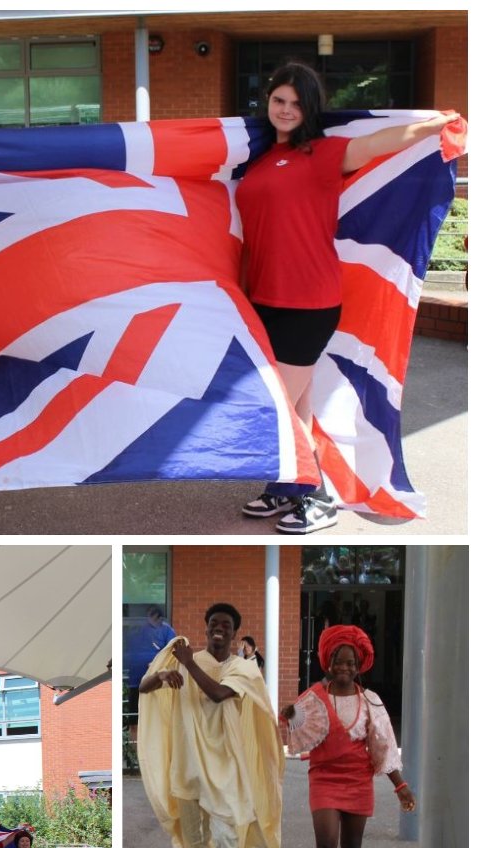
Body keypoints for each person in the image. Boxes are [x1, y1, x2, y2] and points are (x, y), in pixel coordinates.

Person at [237, 62, 459, 533]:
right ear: (268, 103)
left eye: (297, 103)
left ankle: (317, 497)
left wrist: (439, 122)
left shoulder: (325, 153)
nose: (286, 110)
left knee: (276, 407)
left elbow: (387, 142)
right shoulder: (255, 162)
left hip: (308, 302)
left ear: (310, 109)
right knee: (297, 405)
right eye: (279, 100)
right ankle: (286, 487)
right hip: (263, 299)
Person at [138, 602, 284, 848]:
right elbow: (143, 688)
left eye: (227, 625)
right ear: (206, 628)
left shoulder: (244, 670)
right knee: (196, 840)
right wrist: (161, 675)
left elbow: (218, 694)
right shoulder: (183, 657)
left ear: (234, 633)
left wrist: (187, 663)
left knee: (226, 836)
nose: (220, 628)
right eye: (214, 623)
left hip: (226, 765)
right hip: (187, 764)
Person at [280, 625, 415, 848]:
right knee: (326, 845)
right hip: (324, 777)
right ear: (327, 662)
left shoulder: (371, 701)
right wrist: (290, 716)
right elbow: (296, 730)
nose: (345, 668)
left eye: (351, 663)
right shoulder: (313, 697)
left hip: (358, 780)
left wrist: (400, 786)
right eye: (339, 661)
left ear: (360, 666)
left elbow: (382, 746)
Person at [124, 606, 177, 747]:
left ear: (159, 618)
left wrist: (157, 665)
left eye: (154, 617)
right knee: (134, 721)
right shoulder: (139, 631)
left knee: (156, 719)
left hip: (156, 684)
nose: (151, 620)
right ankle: (137, 756)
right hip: (135, 683)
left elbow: (172, 652)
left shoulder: (167, 631)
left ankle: (158, 751)